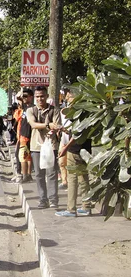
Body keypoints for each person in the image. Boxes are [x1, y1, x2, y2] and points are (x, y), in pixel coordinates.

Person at [56, 88, 92, 217]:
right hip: (85, 149)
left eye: (69, 97)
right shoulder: (87, 112)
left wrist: (66, 147)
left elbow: (77, 134)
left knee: (72, 179)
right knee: (83, 178)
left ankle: (71, 209)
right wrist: (65, 131)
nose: (66, 99)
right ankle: (86, 206)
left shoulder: (77, 112)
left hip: (75, 150)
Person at [27, 86, 61, 209]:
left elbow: (56, 126)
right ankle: (43, 199)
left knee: (52, 173)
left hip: (51, 145)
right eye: (37, 96)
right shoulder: (31, 110)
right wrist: (48, 125)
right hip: (36, 146)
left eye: (42, 96)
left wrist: (52, 127)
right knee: (39, 174)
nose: (40, 98)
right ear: (34, 98)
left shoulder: (54, 110)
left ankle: (53, 199)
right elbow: (33, 124)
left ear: (46, 96)